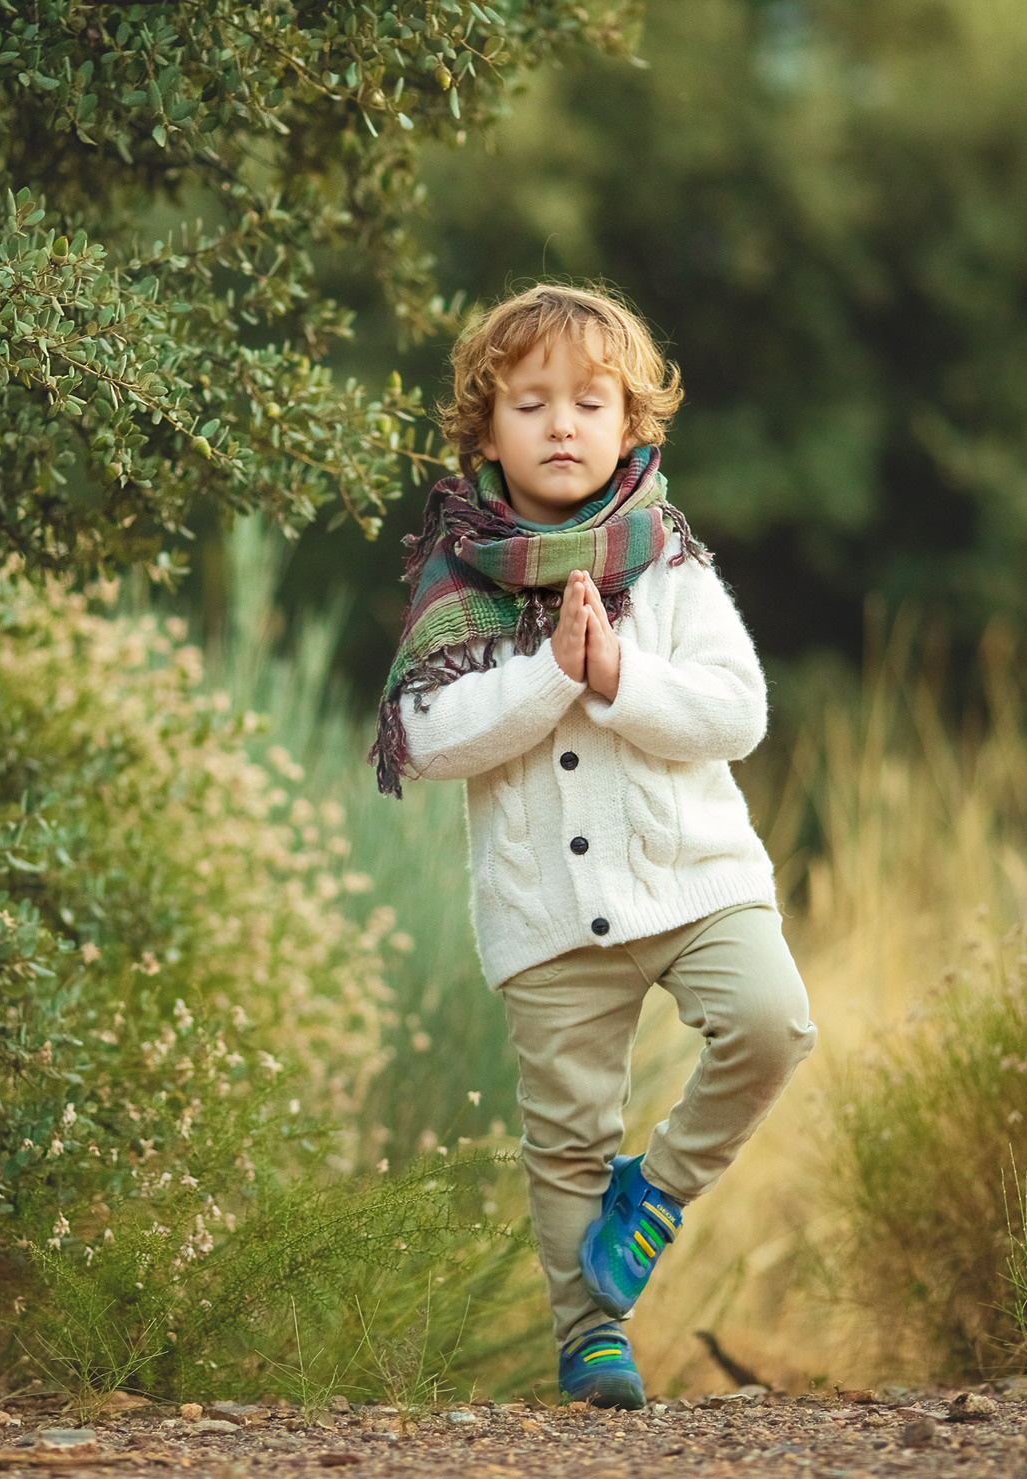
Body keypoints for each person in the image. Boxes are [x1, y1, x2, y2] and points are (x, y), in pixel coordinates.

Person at [370, 284, 816, 1409]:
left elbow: (736, 712)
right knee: (565, 1136)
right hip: (545, 914)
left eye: (588, 403)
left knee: (771, 1022)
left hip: (692, 878)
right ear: (486, 431)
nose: (560, 426)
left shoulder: (666, 563)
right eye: (530, 404)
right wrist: (550, 674)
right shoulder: (456, 579)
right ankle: (590, 1338)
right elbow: (426, 736)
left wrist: (616, 672)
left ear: (631, 425)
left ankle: (654, 1193)